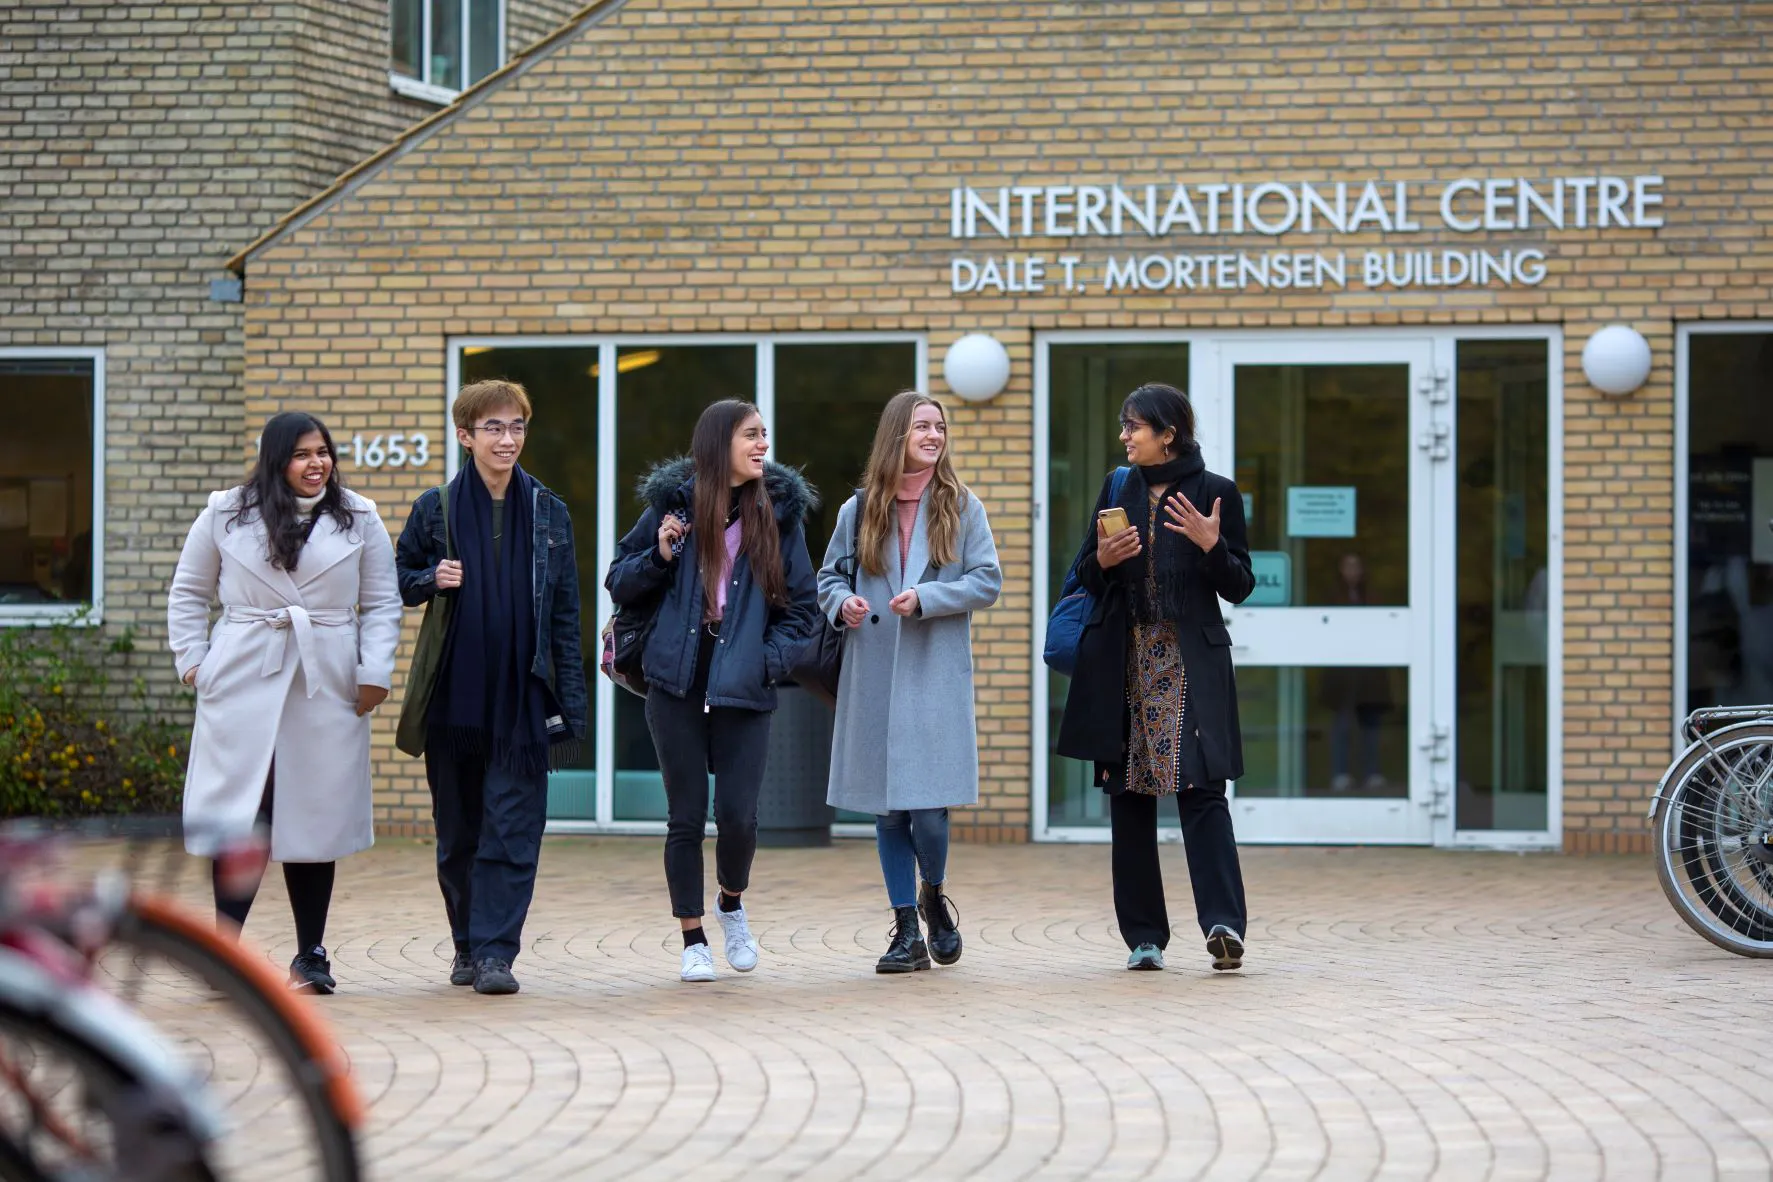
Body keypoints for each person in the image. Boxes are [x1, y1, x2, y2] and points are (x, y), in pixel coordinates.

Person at [167, 410, 402, 994]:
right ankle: (224, 952)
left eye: (322, 451)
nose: (316, 463)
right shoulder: (225, 512)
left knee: (313, 815)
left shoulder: (360, 516)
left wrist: (373, 673)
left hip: (325, 679)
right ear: (275, 460)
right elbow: (188, 591)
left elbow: (382, 602)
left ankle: (311, 956)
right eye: (301, 454)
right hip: (242, 674)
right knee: (241, 817)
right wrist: (195, 663)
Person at [605, 399, 820, 984]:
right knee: (685, 817)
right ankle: (693, 938)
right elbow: (618, 580)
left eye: (764, 434)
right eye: (751, 435)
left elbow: (802, 609)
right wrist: (659, 554)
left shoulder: (778, 514)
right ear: (719, 442)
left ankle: (730, 902)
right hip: (675, 680)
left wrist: (766, 661)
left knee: (738, 817)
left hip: (743, 680)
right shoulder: (672, 506)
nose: (762, 445)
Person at [394, 380, 587, 997]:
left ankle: (497, 953)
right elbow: (398, 579)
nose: (507, 439)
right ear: (465, 436)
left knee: (513, 830)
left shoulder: (549, 511)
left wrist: (571, 705)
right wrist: (431, 577)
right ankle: (466, 944)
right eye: (494, 428)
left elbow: (565, 615)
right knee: (459, 834)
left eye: (516, 427)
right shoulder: (435, 509)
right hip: (454, 698)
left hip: (522, 698)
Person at [1055, 382, 1256, 973]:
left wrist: (1213, 547)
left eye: (1134, 426)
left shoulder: (1216, 492)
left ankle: (1224, 926)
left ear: (1168, 434)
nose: (1124, 436)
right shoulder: (1118, 488)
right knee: (1129, 800)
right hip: (1125, 662)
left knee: (1203, 793)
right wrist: (1103, 560)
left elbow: (1240, 586)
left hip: (1190, 663)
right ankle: (1144, 938)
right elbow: (1085, 576)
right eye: (1124, 425)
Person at [819, 391, 1001, 973]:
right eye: (922, 426)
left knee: (928, 808)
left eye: (939, 427)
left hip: (932, 668)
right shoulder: (859, 509)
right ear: (897, 434)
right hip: (873, 667)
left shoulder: (962, 505)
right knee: (888, 810)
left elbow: (987, 582)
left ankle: (933, 896)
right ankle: (905, 931)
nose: (933, 436)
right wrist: (842, 603)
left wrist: (927, 597)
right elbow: (828, 578)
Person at [1322, 553, 1391, 793]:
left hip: (1369, 673)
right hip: (1342, 672)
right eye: (1347, 566)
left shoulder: (1372, 596)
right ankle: (1340, 774)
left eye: (1356, 566)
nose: (1352, 571)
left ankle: (1372, 773)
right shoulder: (1332, 596)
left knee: (1371, 726)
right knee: (1341, 726)